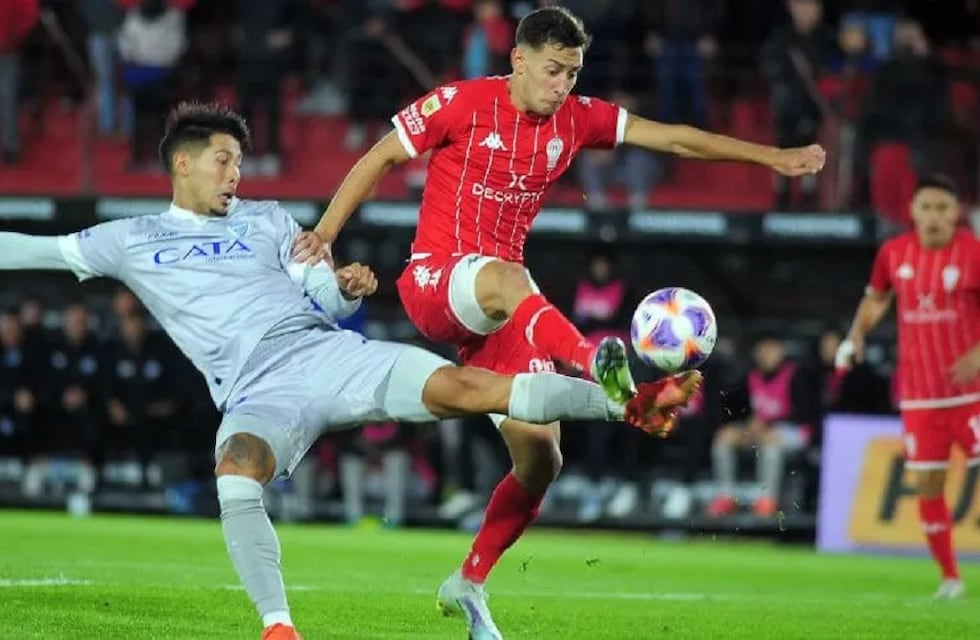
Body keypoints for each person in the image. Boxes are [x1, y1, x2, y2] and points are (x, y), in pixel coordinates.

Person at [0, 101, 699, 640]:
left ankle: (625, 404)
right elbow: (34, 250)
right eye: (221, 160)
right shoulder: (130, 239)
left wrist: (346, 287)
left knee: (462, 390)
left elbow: (319, 292)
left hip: (324, 353)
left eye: (238, 161)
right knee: (236, 469)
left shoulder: (268, 219)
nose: (234, 173)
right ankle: (278, 625)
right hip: (254, 391)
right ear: (181, 164)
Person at [292, 6, 825, 637]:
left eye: (572, 72)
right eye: (553, 70)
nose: (563, 85)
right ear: (518, 59)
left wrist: (773, 158)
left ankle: (468, 582)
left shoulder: (578, 119)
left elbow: (677, 138)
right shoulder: (460, 102)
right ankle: (602, 363)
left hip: (506, 310)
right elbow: (380, 156)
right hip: (438, 280)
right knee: (511, 278)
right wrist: (326, 232)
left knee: (541, 460)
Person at [836, 174, 980, 600]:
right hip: (920, 396)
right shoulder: (893, 253)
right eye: (927, 207)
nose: (935, 216)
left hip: (972, 395)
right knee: (929, 486)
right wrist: (855, 335)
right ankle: (951, 578)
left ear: (957, 213)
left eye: (943, 208)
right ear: (913, 212)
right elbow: (877, 297)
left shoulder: (973, 253)